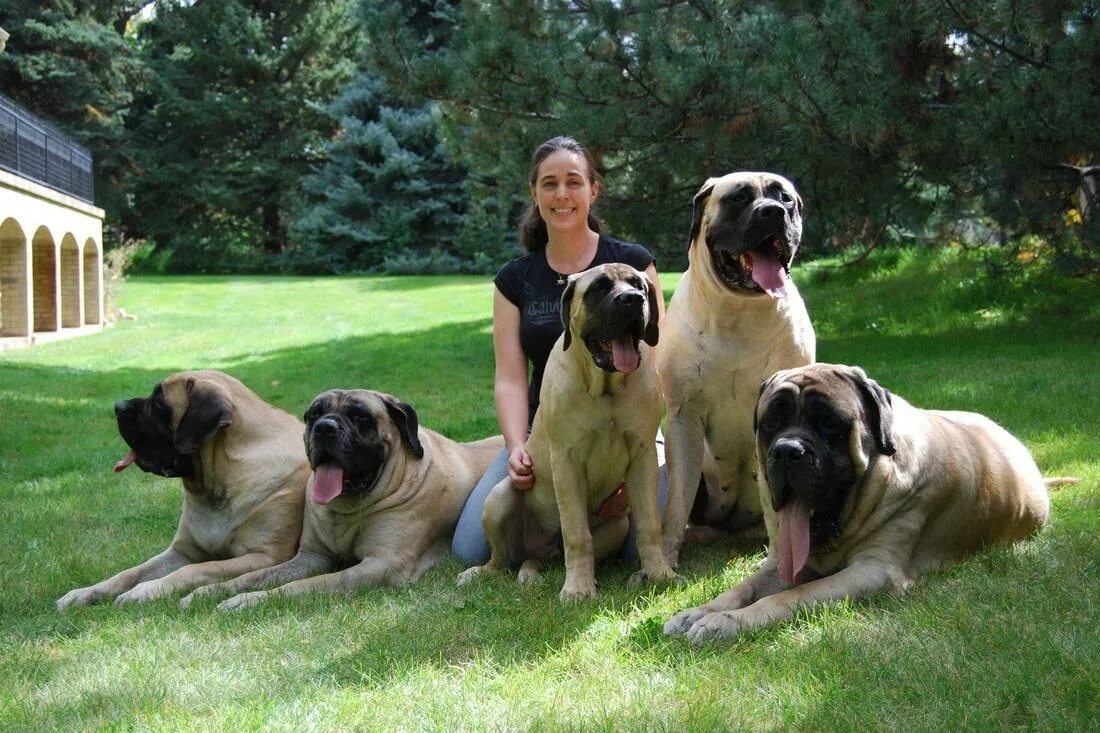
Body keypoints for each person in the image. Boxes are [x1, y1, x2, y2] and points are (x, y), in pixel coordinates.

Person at [452, 135, 666, 567]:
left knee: (630, 549)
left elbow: (655, 359)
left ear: (593, 189)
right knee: (470, 549)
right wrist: (516, 448)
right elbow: (510, 377)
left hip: (633, 430)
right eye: (550, 184)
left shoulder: (632, 262)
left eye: (574, 181)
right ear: (535, 193)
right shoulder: (515, 279)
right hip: (549, 433)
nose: (562, 194)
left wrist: (634, 460)